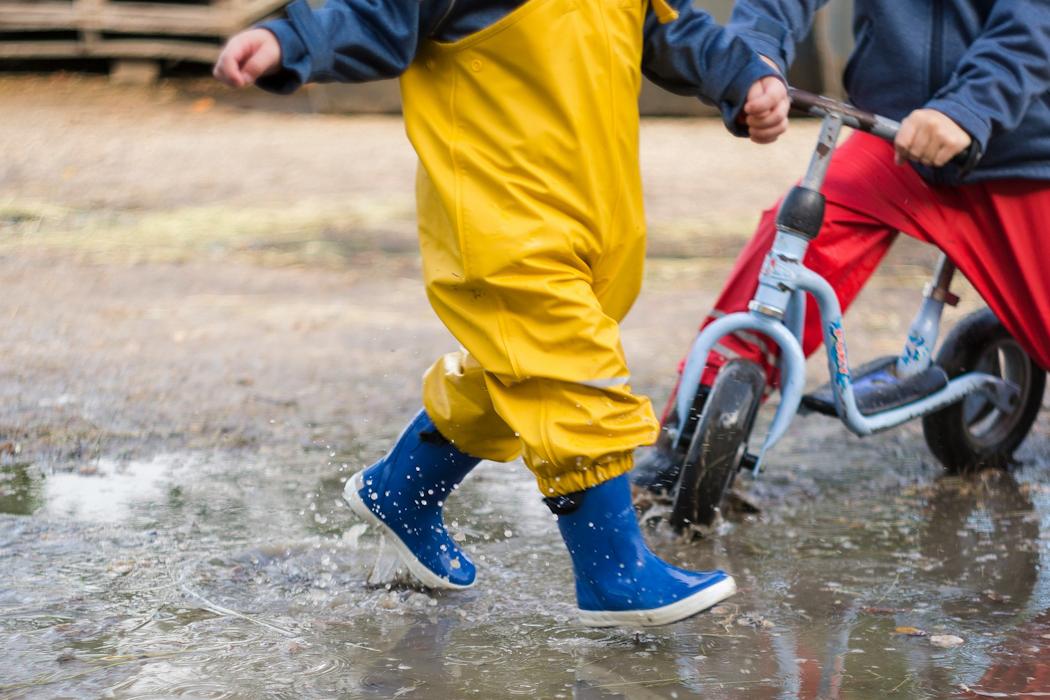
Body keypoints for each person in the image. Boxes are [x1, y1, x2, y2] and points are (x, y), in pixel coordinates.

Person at [213, 0, 790, 626]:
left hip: (595, 214)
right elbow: (370, 12)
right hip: (500, 217)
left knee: (517, 369)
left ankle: (402, 491)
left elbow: (671, 30)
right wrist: (289, 35)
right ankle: (613, 574)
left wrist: (744, 76)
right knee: (571, 372)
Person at [633, 0, 1050, 493]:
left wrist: (969, 107)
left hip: (1019, 149)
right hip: (892, 133)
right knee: (790, 248)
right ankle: (691, 432)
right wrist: (755, 60)